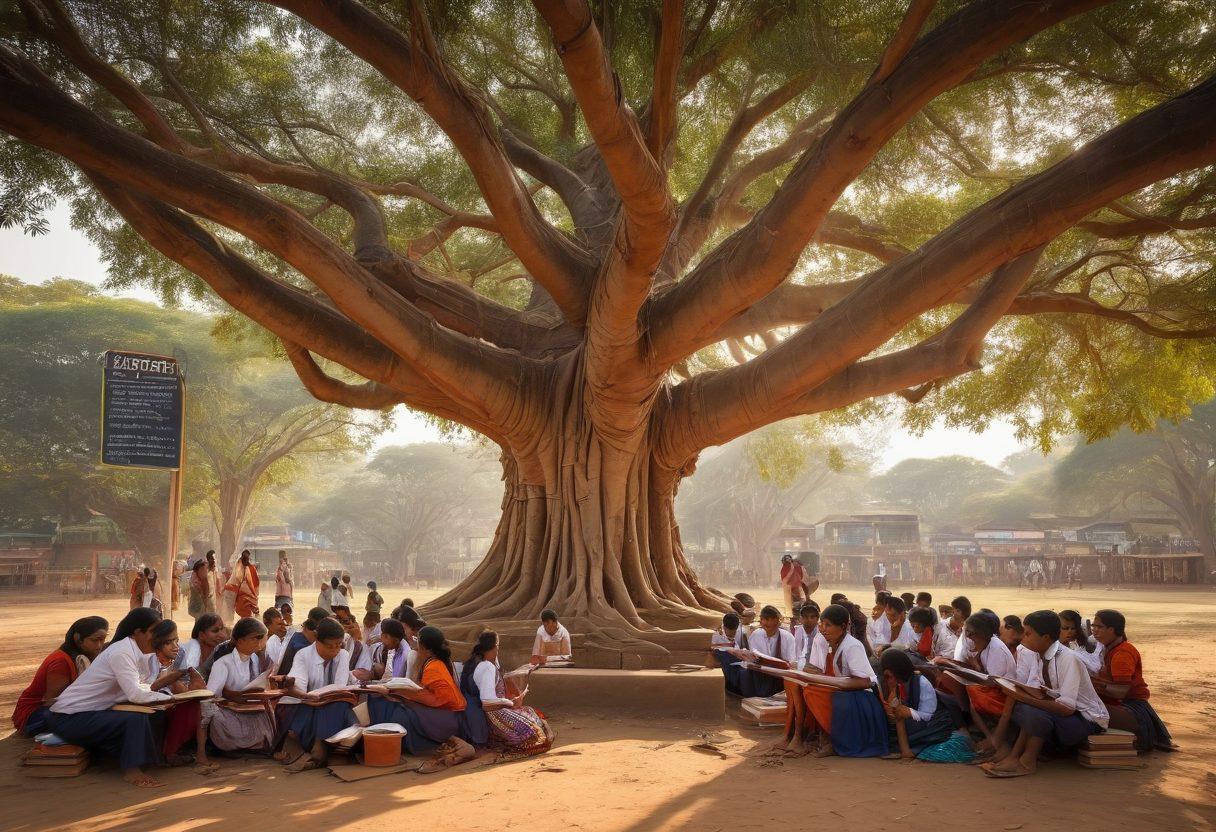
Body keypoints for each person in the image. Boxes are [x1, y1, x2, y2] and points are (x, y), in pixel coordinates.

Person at [49, 608, 172, 787]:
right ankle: (132, 770)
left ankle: (146, 759)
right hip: (68, 718)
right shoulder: (122, 652)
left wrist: (162, 698)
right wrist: (168, 699)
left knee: (154, 713)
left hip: (90, 713)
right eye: (154, 631)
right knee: (135, 719)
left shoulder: (138, 652)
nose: (159, 636)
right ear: (138, 633)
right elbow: (136, 693)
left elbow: (141, 687)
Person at [983, 610, 1109, 778]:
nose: (1023, 637)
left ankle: (1027, 761)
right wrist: (1012, 688)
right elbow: (1037, 691)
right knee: (1024, 708)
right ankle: (1015, 756)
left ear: (1046, 638)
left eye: (1028, 633)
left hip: (1086, 719)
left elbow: (1067, 708)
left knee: (1033, 712)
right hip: (1064, 714)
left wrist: (1023, 696)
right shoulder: (1038, 654)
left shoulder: (1068, 659)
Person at [367, 626, 472, 770]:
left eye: (418, 642)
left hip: (449, 716)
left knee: (399, 713)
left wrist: (405, 692)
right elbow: (427, 692)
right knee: (388, 702)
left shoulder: (433, 666)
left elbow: (438, 700)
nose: (415, 645)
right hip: (444, 711)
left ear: (423, 647)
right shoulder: (431, 662)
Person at [801, 604, 886, 758]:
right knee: (810, 688)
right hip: (845, 691)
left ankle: (833, 739)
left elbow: (865, 682)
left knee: (818, 693)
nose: (823, 629)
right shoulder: (833, 644)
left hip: (861, 698)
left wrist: (835, 683)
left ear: (843, 627)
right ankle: (826, 737)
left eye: (828, 625)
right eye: (822, 624)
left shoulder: (852, 646)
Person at [1090, 609, 1176, 752]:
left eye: (1099, 627)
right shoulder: (1106, 649)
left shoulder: (1122, 653)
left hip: (1131, 708)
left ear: (1111, 630)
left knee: (1083, 709)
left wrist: (1093, 684)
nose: (1094, 631)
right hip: (1125, 705)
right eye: (1093, 626)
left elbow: (1121, 692)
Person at [278, 618, 358, 772]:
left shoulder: (343, 655)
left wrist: (326, 697)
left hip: (335, 706)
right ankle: (321, 750)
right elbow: (297, 687)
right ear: (316, 641)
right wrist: (307, 696)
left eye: (338, 645)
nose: (334, 650)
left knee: (340, 707)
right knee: (330, 710)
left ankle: (320, 746)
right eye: (329, 646)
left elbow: (339, 687)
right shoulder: (303, 655)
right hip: (308, 708)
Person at [12, 616, 108, 737]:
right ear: (78, 639)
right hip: (33, 716)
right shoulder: (61, 662)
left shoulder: (85, 656)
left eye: (103, 640)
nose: (99, 645)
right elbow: (52, 702)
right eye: (95, 640)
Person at [463, 631, 553, 757]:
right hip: (496, 713)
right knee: (535, 738)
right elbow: (487, 702)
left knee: (531, 713)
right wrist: (510, 703)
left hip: (499, 708)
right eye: (498, 646)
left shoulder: (488, 664)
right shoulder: (487, 667)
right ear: (495, 647)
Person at [206, 617, 276, 754]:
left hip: (250, 706)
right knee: (218, 719)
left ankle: (253, 746)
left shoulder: (256, 659)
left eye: (262, 638)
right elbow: (211, 695)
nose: (260, 642)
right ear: (240, 640)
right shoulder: (223, 663)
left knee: (267, 714)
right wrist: (230, 696)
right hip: (228, 709)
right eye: (256, 638)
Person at [143, 619, 207, 766]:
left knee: (194, 706)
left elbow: (180, 687)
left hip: (170, 698)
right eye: (168, 642)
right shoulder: (148, 657)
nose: (175, 646)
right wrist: (171, 678)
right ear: (157, 644)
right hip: (146, 700)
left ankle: (174, 752)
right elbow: (147, 688)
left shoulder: (180, 653)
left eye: (176, 641)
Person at [880, 649, 955, 759]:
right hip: (911, 724)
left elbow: (928, 715)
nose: (888, 680)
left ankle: (911, 749)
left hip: (932, 723)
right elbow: (897, 715)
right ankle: (907, 750)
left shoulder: (922, 682)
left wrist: (909, 712)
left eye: (889, 676)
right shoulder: (895, 686)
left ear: (898, 672)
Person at [740, 605, 795, 698]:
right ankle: (754, 700)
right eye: (764, 619)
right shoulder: (756, 635)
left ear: (778, 622)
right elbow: (754, 655)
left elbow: (792, 661)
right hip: (760, 671)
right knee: (744, 673)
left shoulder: (788, 637)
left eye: (771, 620)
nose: (767, 623)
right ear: (761, 622)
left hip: (779, 674)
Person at [711, 612, 748, 695]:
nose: (734, 633)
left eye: (735, 631)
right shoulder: (716, 635)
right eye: (731, 631)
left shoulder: (740, 631)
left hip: (738, 659)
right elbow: (713, 649)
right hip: (726, 661)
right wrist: (729, 650)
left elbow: (737, 646)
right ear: (724, 627)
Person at [1059, 609, 1103, 674]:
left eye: (1073, 628)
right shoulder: (1054, 648)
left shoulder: (1084, 646)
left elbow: (1094, 668)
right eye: (1065, 628)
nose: (1069, 631)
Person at [225, 549, 260, 619]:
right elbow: (238, 579)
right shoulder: (239, 567)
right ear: (242, 558)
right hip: (236, 592)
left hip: (245, 594)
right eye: (246, 559)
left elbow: (253, 582)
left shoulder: (249, 568)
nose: (247, 561)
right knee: (233, 613)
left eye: (248, 559)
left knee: (247, 613)